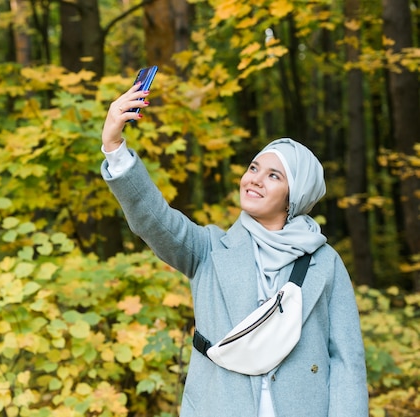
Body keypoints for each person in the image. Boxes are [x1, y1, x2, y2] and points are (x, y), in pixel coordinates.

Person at [100, 82, 369, 416]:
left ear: (295, 196)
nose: (254, 179)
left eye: (274, 176)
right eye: (253, 168)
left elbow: (346, 362)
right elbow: (153, 218)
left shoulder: (325, 263)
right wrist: (114, 147)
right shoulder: (209, 249)